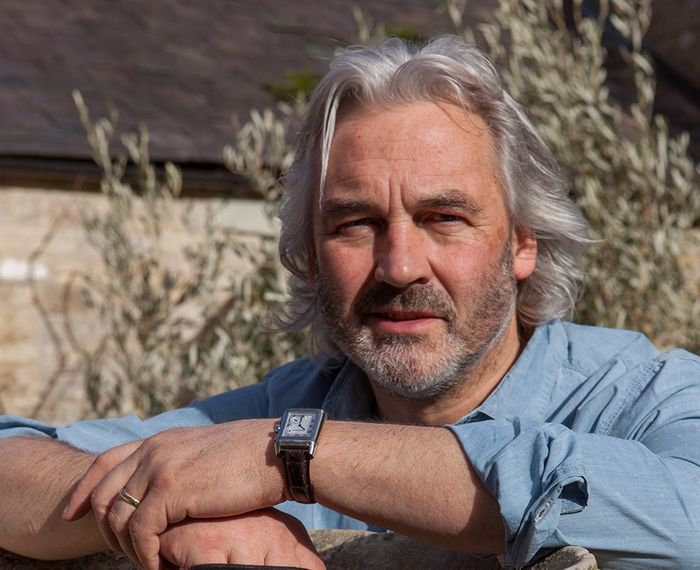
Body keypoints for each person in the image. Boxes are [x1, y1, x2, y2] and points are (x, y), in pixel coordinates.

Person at [1, 35, 699, 570]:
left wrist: (292, 458)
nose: (399, 266)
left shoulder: (643, 398)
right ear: (310, 255)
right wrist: (174, 511)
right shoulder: (270, 412)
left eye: (444, 218)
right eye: (355, 224)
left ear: (523, 244)